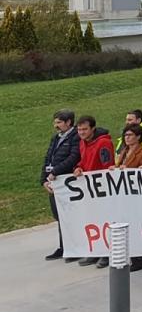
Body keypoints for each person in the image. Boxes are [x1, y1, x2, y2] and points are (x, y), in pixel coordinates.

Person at [42, 109, 80, 262]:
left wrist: (56, 171)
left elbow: (73, 157)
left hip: (66, 181)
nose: (55, 125)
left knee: (70, 216)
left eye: (58, 122)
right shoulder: (55, 138)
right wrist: (44, 179)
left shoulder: (75, 137)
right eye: (55, 122)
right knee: (59, 216)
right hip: (54, 182)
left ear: (68, 122)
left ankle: (75, 247)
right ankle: (64, 246)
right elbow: (48, 158)